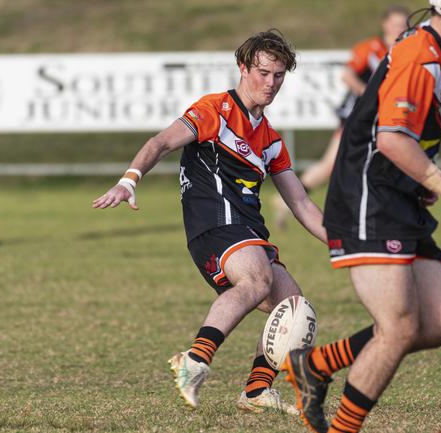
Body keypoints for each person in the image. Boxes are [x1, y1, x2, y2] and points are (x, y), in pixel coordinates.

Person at [281, 1, 441, 432]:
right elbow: (393, 140)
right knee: (398, 327)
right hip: (370, 197)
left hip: (398, 195)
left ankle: (317, 364)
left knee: (439, 323)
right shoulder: (422, 52)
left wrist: (421, 183)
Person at [92, 30, 326, 415]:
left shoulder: (270, 139)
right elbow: (161, 143)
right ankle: (195, 360)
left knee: (296, 308)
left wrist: (344, 244)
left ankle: (256, 390)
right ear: (243, 67)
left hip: (248, 231)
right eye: (263, 72)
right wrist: (129, 180)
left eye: (279, 75)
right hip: (215, 225)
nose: (270, 83)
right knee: (257, 281)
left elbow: (300, 201)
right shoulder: (214, 110)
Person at [273, 5, 410, 228]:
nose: (399, 29)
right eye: (395, 24)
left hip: (381, 119)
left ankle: (378, 211)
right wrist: (369, 96)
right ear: (385, 24)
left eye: (403, 25)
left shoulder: (405, 51)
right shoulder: (371, 49)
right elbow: (347, 75)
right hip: (357, 118)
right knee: (331, 165)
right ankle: (288, 199)